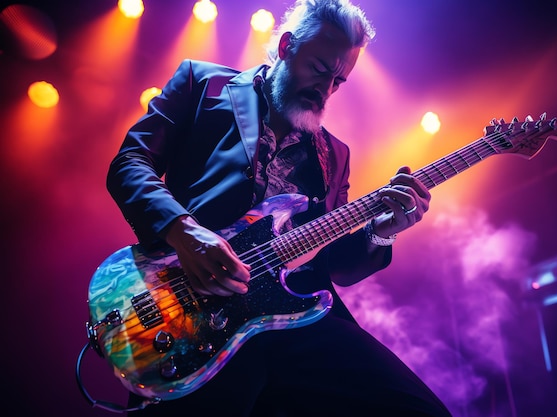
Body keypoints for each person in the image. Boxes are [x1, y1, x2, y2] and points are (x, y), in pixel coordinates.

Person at [106, 0, 452, 416]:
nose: (326, 90)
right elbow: (129, 163)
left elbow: (335, 267)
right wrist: (185, 232)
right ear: (287, 45)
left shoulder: (334, 153)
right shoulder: (203, 83)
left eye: (339, 81)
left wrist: (382, 231)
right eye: (321, 70)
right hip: (196, 311)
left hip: (293, 319)